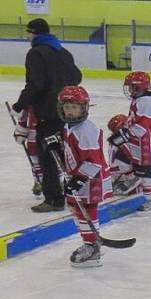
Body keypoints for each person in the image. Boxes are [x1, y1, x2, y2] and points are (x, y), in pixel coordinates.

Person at [12, 18, 82, 213]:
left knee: (47, 155)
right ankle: (72, 192)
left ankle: (53, 199)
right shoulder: (62, 51)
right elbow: (77, 77)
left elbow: (35, 84)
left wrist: (19, 105)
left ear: (34, 33)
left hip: (48, 112)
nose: (27, 36)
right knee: (63, 152)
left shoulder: (35, 53)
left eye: (28, 33)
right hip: (67, 111)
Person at [56, 86, 112, 267]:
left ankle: (92, 247)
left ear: (84, 108)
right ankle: (89, 241)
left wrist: (78, 180)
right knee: (77, 210)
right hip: (78, 177)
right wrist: (56, 145)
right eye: (67, 107)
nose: (70, 112)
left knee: (87, 210)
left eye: (75, 107)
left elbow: (93, 162)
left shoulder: (85, 130)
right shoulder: (69, 126)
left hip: (90, 179)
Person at [107, 71, 151, 211]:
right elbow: (133, 122)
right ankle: (134, 178)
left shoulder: (146, 102)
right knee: (127, 162)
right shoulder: (138, 101)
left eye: (131, 87)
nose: (129, 90)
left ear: (139, 88)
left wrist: (123, 136)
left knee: (147, 176)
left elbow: (142, 127)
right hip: (138, 145)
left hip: (146, 147)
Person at [12, 107, 43, 197]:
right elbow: (23, 119)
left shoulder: (53, 97)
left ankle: (59, 183)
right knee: (35, 162)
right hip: (33, 137)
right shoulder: (29, 100)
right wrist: (20, 132)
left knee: (54, 160)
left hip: (50, 135)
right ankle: (38, 182)